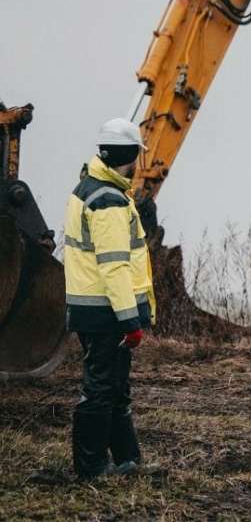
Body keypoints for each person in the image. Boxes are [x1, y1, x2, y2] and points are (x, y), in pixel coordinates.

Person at [64, 118, 156, 479]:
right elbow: (115, 267)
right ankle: (91, 467)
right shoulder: (110, 201)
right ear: (130, 155)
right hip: (107, 312)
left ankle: (126, 460)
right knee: (102, 387)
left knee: (114, 386)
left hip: (93, 308)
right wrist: (130, 321)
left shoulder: (88, 187)